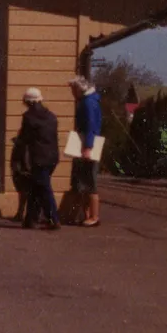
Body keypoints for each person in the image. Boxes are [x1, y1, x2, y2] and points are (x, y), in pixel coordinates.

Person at [16, 87, 60, 229]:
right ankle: (30, 219)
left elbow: (24, 139)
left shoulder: (28, 117)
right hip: (53, 156)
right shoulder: (52, 116)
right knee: (36, 186)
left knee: (43, 188)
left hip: (39, 157)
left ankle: (53, 219)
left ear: (28, 102)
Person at [69, 76, 104, 227]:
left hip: (86, 144)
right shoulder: (90, 101)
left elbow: (90, 126)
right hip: (86, 143)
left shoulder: (88, 103)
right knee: (85, 181)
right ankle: (88, 215)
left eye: (73, 89)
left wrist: (88, 147)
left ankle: (93, 216)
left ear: (79, 89)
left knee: (89, 182)